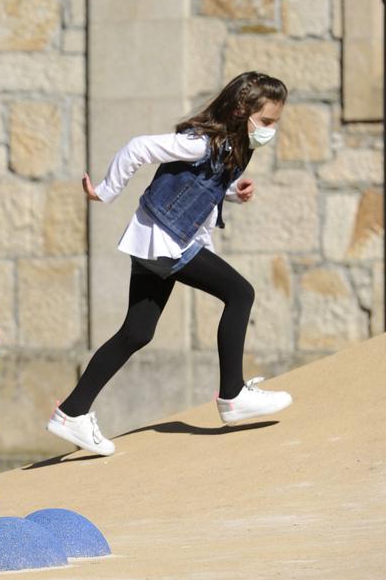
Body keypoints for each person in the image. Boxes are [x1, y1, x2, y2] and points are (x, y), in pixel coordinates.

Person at [47, 71, 294, 457]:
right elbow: (138, 147)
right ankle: (233, 395)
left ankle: (71, 412)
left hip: (156, 242)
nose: (269, 131)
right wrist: (107, 191)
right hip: (166, 241)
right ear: (240, 111)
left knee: (137, 332)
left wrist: (231, 191)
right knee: (240, 293)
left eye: (274, 123)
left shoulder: (230, 148)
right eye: (265, 122)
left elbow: (198, 183)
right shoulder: (200, 143)